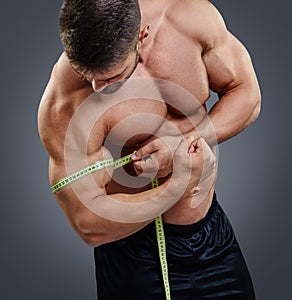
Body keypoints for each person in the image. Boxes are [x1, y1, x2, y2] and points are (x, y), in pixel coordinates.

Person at [38, 0, 261, 299]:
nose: (96, 89)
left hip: (211, 238)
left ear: (141, 36)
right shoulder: (65, 94)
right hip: (133, 258)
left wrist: (183, 142)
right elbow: (87, 223)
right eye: (89, 75)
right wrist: (181, 181)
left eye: (110, 78)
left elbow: (247, 93)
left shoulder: (189, 17)